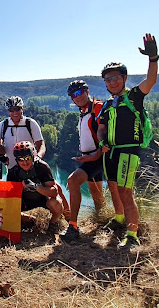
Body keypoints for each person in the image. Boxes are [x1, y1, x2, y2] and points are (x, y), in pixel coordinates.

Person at [97, 33, 159, 249]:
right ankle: (119, 219)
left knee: (126, 192)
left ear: (124, 77)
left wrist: (153, 59)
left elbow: (150, 81)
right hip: (110, 152)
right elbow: (101, 129)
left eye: (116, 77)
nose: (112, 82)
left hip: (128, 151)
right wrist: (101, 142)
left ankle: (132, 234)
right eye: (108, 79)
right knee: (113, 187)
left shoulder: (134, 96)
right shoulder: (107, 104)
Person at [61, 80, 107, 242]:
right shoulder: (84, 111)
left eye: (80, 92)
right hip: (90, 157)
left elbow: (105, 133)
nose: (77, 97)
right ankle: (103, 222)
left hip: (97, 157)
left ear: (87, 91)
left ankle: (73, 226)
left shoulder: (97, 108)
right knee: (96, 194)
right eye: (74, 95)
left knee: (72, 181)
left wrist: (95, 155)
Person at [6, 141, 63, 233]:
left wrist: (36, 187)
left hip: (43, 200)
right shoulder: (13, 172)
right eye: (20, 159)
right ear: (16, 160)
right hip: (25, 202)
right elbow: (9, 197)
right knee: (6, 208)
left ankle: (53, 223)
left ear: (32, 156)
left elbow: (54, 192)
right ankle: (32, 221)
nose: (25, 162)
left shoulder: (42, 167)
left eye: (27, 158)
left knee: (56, 203)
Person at [0, 96, 46, 170]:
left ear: (22, 109)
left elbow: (41, 145)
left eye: (17, 109)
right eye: (11, 110)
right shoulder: (3, 125)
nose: (15, 112)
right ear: (8, 111)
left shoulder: (30, 123)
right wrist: (1, 156)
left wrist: (38, 157)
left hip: (31, 168)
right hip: (11, 169)